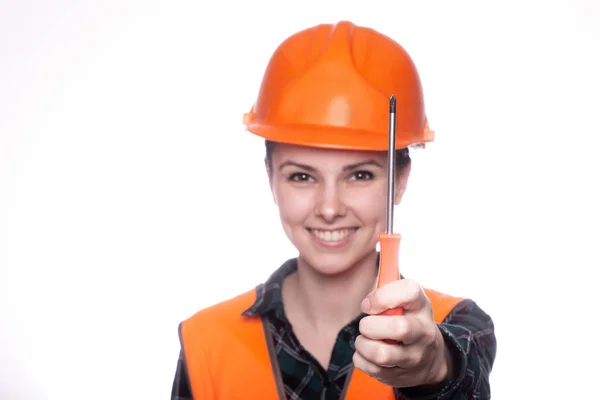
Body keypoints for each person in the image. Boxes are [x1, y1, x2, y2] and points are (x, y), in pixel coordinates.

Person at [170, 20, 496, 400]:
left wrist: (436, 366)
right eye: (302, 177)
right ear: (270, 176)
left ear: (400, 179)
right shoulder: (204, 341)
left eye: (359, 175)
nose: (329, 208)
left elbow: (457, 372)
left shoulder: (458, 325)